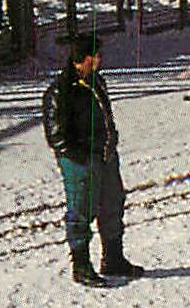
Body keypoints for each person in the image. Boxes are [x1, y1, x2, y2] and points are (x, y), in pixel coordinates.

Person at [41, 32, 144, 287]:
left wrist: (110, 142)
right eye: (95, 55)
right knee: (81, 210)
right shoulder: (60, 91)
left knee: (112, 204)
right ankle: (81, 265)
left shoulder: (97, 82)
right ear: (84, 58)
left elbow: (106, 117)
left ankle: (113, 259)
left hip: (104, 155)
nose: (99, 59)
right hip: (81, 161)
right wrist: (80, 157)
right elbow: (56, 135)